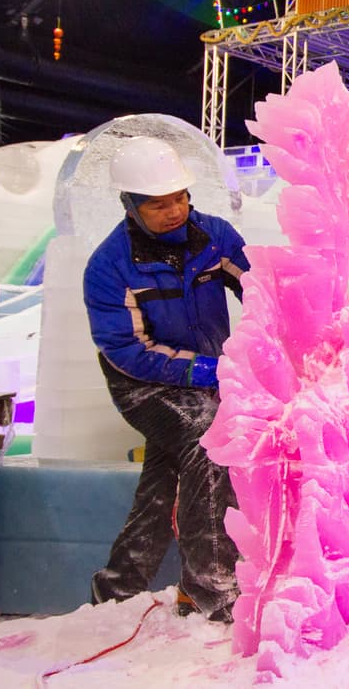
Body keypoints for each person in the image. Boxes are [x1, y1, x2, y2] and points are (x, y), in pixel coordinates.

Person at [84, 135, 248, 621]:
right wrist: (208, 369)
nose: (174, 210)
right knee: (207, 441)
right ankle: (210, 591)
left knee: (164, 481)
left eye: (179, 197)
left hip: (204, 376)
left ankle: (117, 587)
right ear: (130, 205)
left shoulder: (215, 237)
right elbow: (127, 350)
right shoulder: (110, 266)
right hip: (142, 385)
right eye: (158, 204)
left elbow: (266, 289)